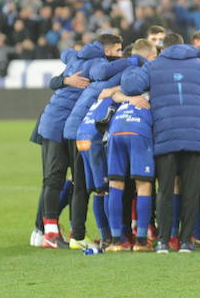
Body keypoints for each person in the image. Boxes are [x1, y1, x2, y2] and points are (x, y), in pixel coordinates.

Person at [120, 33, 200, 253]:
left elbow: (130, 85)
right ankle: (186, 242)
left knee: (165, 190)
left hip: (165, 135)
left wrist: (133, 66)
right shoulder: (199, 65)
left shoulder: (154, 66)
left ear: (163, 48)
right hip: (195, 136)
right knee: (191, 191)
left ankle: (164, 240)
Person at [36, 34, 122, 248]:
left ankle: (59, 231)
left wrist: (64, 80)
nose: (120, 55)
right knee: (58, 178)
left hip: (67, 123)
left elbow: (60, 67)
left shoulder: (75, 57)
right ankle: (50, 232)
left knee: (71, 180)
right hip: (58, 123)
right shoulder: (98, 64)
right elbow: (56, 81)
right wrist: (132, 61)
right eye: (118, 51)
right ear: (108, 50)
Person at [96, 39, 160, 252]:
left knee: (115, 185)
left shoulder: (129, 80)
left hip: (116, 129)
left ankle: (115, 242)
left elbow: (113, 94)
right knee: (144, 185)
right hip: (138, 130)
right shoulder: (155, 77)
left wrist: (128, 99)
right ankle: (141, 241)